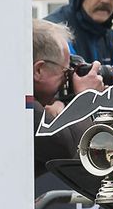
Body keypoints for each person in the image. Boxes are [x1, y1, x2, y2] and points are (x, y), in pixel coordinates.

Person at [33, 19, 105, 177]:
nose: (67, 81)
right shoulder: (21, 104)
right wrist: (85, 98)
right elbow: (73, 151)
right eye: (66, 73)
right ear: (39, 70)